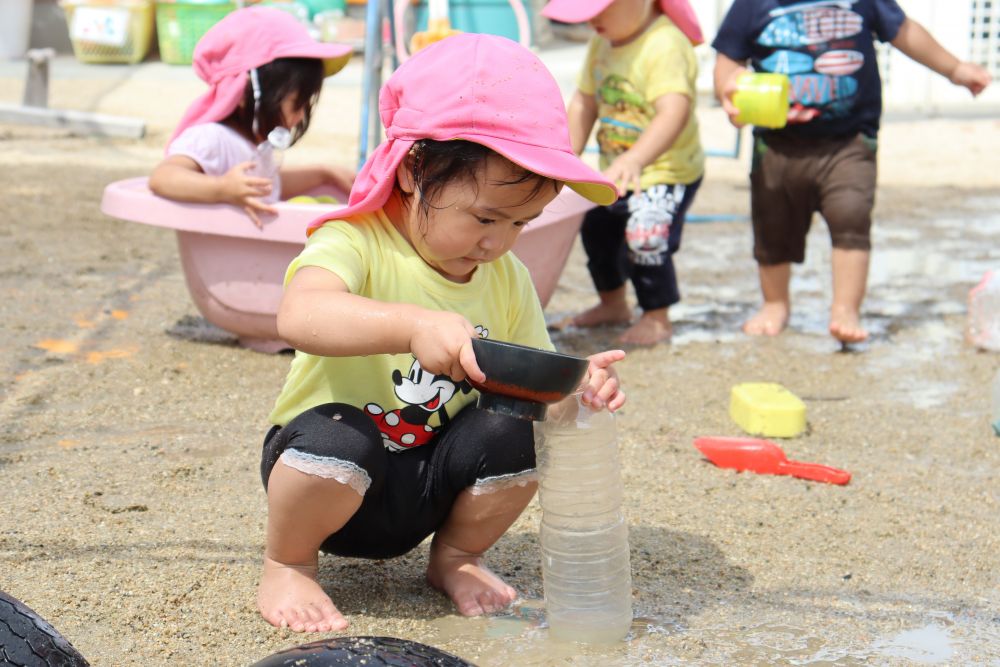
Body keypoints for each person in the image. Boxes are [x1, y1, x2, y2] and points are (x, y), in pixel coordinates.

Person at [257, 33, 628, 633]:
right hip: (326, 470)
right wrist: (411, 324)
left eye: (520, 223)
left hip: (430, 485)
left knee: (519, 430)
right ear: (413, 171)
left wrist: (576, 392)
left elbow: (529, 393)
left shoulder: (505, 277)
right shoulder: (355, 241)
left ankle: (457, 557)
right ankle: (289, 563)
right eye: (484, 217)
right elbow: (300, 316)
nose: (498, 242)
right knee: (341, 440)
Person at [713, 0, 992, 343]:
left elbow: (904, 32)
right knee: (773, 228)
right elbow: (728, 59)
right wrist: (730, 89)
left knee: (852, 217)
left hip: (849, 141)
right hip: (777, 145)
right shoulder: (752, 5)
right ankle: (775, 303)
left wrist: (955, 69)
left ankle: (845, 309)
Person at [544, 0, 706, 346]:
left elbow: (673, 112)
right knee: (596, 228)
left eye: (600, 7)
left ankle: (656, 315)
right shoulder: (601, 43)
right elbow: (585, 102)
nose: (591, 18)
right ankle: (613, 303)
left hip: (665, 170)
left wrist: (636, 158)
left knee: (645, 234)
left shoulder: (664, 44)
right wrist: (565, 156)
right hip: (617, 171)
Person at [148, 7, 356, 229]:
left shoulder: (252, 145)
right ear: (246, 93)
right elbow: (163, 177)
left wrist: (323, 173)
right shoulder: (211, 137)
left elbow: (269, 186)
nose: (300, 115)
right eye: (297, 104)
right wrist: (222, 189)